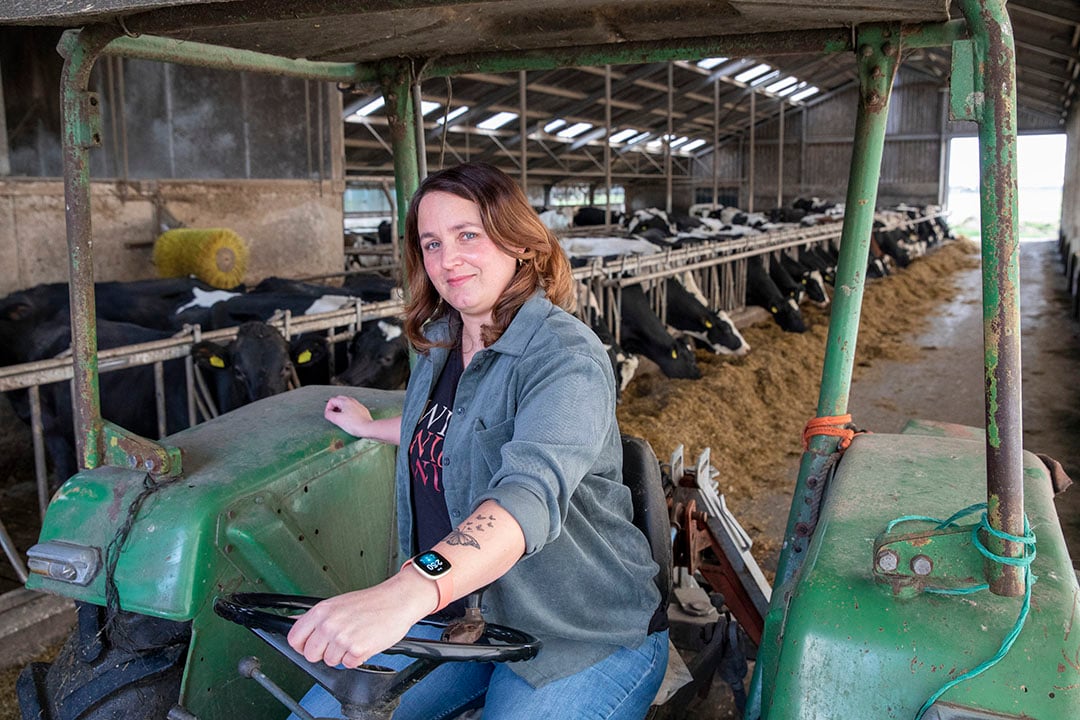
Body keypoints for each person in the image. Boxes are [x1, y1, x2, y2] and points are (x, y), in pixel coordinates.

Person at [287, 161, 667, 719]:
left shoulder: (565, 357)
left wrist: (405, 591)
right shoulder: (439, 340)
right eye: (432, 243)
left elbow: (527, 495)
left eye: (469, 235)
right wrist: (376, 427)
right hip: (461, 619)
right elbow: (459, 430)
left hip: (577, 631)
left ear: (517, 241)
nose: (448, 259)